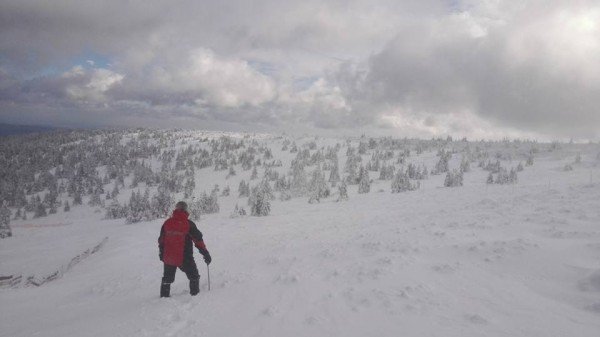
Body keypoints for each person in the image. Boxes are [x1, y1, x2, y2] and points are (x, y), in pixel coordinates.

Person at [158, 201, 212, 297]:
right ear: (186, 210)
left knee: (167, 279)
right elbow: (198, 241)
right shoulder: (189, 224)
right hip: (184, 258)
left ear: (176, 209)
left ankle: (163, 298)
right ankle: (195, 296)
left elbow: (161, 240)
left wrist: (161, 253)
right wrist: (205, 254)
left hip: (169, 257)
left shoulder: (167, 223)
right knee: (194, 277)